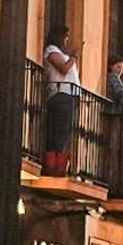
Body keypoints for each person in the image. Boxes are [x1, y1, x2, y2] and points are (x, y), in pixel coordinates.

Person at [42, 24, 82, 174]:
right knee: (59, 132)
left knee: (64, 132)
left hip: (69, 95)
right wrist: (74, 57)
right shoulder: (51, 50)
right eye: (65, 37)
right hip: (61, 94)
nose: (66, 40)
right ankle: (54, 167)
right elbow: (63, 68)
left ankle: (59, 166)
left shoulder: (59, 52)